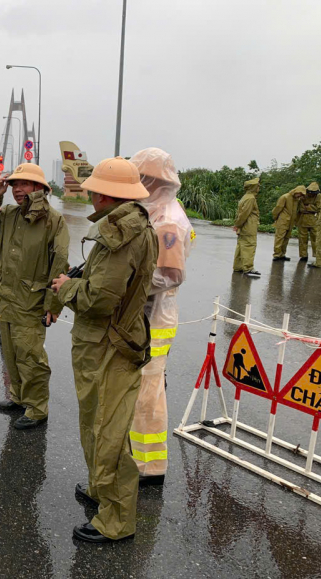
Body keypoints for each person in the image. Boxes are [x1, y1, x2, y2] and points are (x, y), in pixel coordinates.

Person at [51, 156, 158, 544]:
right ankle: (101, 490)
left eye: (95, 189)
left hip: (109, 344)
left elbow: (99, 299)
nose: (90, 194)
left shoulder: (120, 232)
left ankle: (116, 520)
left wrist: (65, 287)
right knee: (96, 423)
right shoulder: (129, 224)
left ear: (106, 195)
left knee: (108, 432)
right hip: (105, 342)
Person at [0, 163, 69, 430]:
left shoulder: (53, 220)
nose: (17, 189)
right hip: (6, 299)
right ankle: (18, 397)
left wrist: (53, 304)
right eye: (14, 185)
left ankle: (37, 408)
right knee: (10, 353)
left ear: (39, 187)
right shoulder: (8, 214)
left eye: (24, 184)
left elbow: (60, 264)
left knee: (30, 357)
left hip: (31, 302)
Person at [128, 148, 194, 486]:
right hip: (147, 315)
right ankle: (138, 459)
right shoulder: (156, 209)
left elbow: (171, 273)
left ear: (153, 181)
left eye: (140, 178)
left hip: (155, 319)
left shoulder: (167, 218)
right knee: (143, 390)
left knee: (147, 393)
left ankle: (149, 466)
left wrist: (128, 283)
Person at [233, 178, 261, 277]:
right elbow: (244, 213)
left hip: (244, 226)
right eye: (257, 186)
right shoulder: (251, 198)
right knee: (249, 245)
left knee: (241, 246)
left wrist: (238, 224)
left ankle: (238, 266)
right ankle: (248, 268)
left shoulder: (245, 197)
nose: (259, 188)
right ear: (253, 187)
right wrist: (237, 224)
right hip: (249, 226)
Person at [272, 185, 306, 261]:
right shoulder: (285, 197)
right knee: (279, 238)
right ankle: (277, 254)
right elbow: (278, 208)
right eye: (300, 193)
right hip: (283, 221)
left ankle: (282, 254)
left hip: (291, 221)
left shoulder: (297, 200)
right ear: (296, 191)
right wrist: (275, 217)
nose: (300, 195)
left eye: (301, 194)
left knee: (286, 238)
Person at [297, 182, 320, 261]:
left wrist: (308, 207)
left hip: (314, 220)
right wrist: (311, 207)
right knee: (302, 239)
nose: (311, 194)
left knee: (316, 239)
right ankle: (303, 255)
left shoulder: (319, 196)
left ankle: (317, 255)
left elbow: (319, 208)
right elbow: (301, 208)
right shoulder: (303, 195)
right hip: (303, 219)